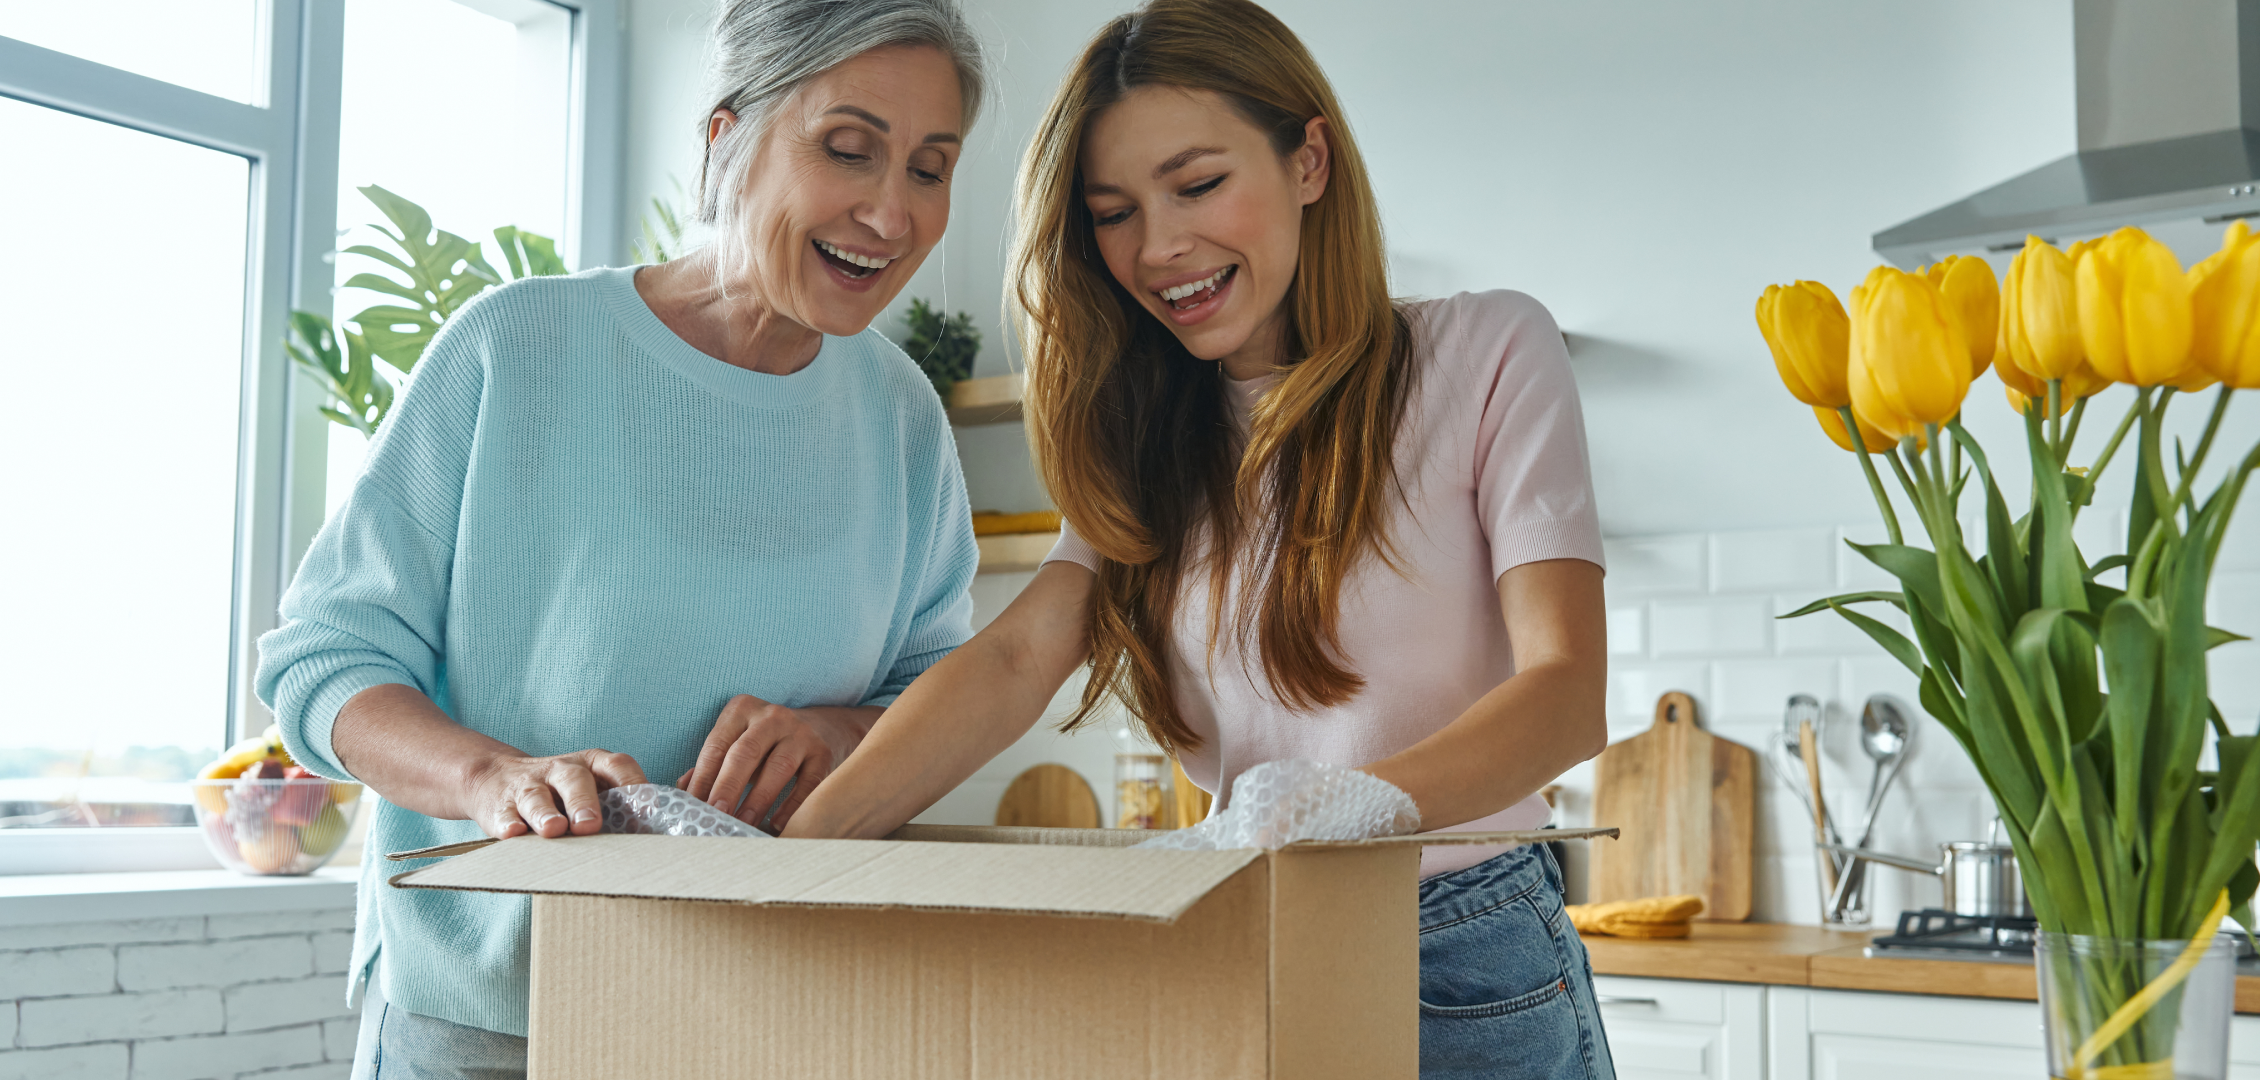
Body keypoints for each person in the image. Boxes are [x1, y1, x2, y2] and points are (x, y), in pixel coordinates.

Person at [785, 1, 1614, 1076]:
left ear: (1308, 159)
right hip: (1231, 928)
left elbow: (1567, 689)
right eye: (1113, 211)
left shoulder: (1491, 348)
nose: (1159, 246)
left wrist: (1368, 801)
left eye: (1197, 183)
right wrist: (795, 859)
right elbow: (1014, 658)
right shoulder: (1150, 433)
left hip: (1456, 946)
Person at [253, 1, 988, 1074]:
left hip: (772, 1020)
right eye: (848, 149)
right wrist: (489, 779)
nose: (890, 210)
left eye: (931, 167)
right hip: (495, 1022)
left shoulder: (901, 415)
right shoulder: (518, 348)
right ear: (723, 137)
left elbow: (939, 693)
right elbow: (323, 662)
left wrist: (837, 732)